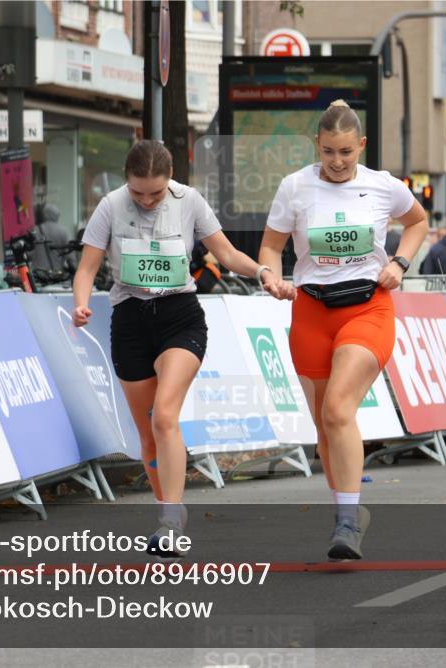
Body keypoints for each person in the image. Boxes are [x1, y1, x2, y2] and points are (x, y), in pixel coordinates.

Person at [72, 140, 294, 560]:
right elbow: (88, 267)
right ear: (127, 182)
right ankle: (168, 509)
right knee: (148, 433)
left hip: (180, 316)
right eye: (138, 192)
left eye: (155, 193)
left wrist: (264, 272)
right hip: (130, 319)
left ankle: (170, 524)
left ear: (169, 179)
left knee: (166, 415)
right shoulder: (110, 206)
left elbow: (225, 253)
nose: (147, 200)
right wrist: (81, 303)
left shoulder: (189, 200)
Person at [258, 100, 428, 561]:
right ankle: (348, 509)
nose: (337, 162)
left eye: (346, 153)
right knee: (324, 428)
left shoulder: (382, 186)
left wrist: (400, 262)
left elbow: (418, 222)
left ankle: (347, 522)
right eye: (329, 151)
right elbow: (271, 247)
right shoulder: (295, 187)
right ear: (318, 145)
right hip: (312, 311)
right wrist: (270, 276)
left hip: (367, 307)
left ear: (362, 147)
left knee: (337, 409)